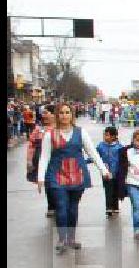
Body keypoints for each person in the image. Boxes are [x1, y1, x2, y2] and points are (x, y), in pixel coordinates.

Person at [37, 103, 112, 254]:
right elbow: (44, 157)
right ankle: (62, 239)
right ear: (57, 115)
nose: (65, 115)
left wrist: (104, 170)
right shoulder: (49, 135)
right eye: (61, 113)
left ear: (72, 115)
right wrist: (40, 178)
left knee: (72, 208)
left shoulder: (80, 132)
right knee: (61, 207)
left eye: (67, 112)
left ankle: (71, 238)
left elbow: (92, 153)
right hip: (57, 175)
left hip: (77, 174)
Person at [27, 104, 57, 218]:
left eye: (46, 113)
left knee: (58, 183)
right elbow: (31, 145)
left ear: (53, 114)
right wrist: (29, 161)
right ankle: (51, 206)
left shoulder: (60, 128)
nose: (43, 115)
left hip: (57, 160)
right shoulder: (38, 129)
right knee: (48, 183)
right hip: (42, 161)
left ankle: (60, 204)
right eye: (43, 113)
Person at [96, 126, 124, 218]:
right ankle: (108, 207)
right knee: (108, 190)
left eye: (107, 135)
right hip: (106, 173)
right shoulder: (101, 146)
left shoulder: (119, 147)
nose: (105, 136)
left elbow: (123, 160)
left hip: (117, 173)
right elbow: (95, 156)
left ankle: (115, 207)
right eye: (104, 134)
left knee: (115, 190)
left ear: (113, 136)